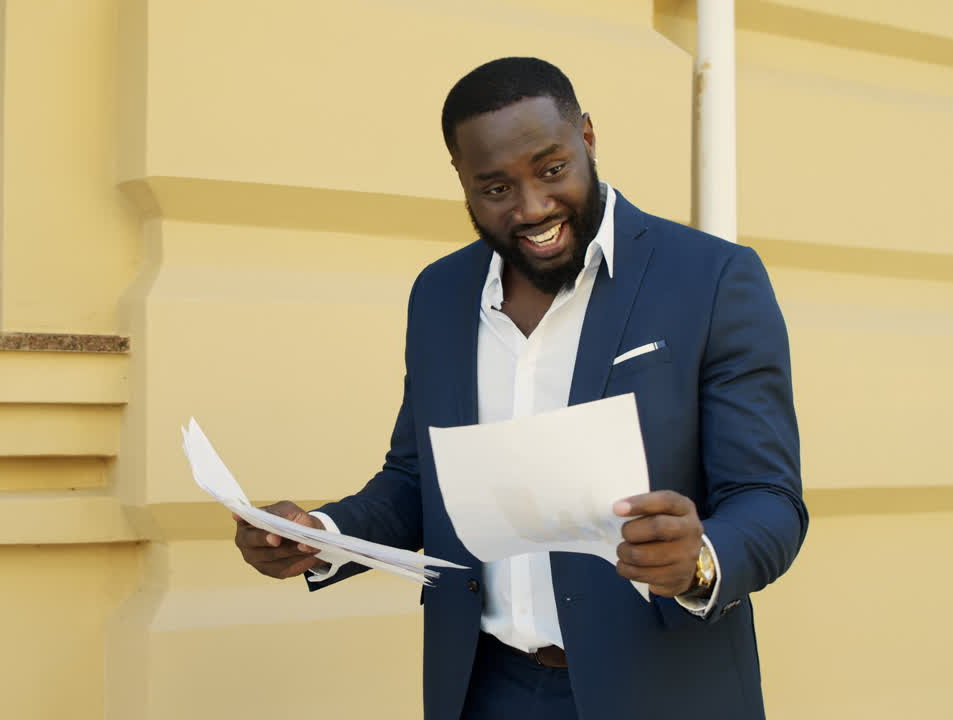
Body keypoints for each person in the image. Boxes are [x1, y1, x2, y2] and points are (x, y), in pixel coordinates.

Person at [232, 57, 807, 720]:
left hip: (663, 690)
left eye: (552, 169)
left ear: (587, 138)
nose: (533, 207)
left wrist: (700, 561)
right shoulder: (439, 295)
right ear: (462, 181)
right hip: (485, 689)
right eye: (496, 188)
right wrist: (321, 534)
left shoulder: (712, 279)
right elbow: (420, 480)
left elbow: (768, 500)